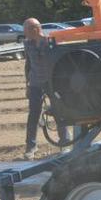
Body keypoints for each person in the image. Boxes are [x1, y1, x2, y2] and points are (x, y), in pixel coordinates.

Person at [23, 18, 70, 160]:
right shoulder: (27, 43)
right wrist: (27, 84)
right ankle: (31, 147)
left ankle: (65, 141)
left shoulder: (51, 42)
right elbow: (28, 64)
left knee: (58, 110)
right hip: (36, 83)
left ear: (35, 29)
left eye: (26, 30)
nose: (25, 34)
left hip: (52, 82)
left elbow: (61, 63)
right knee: (33, 115)